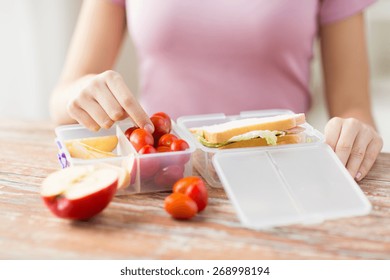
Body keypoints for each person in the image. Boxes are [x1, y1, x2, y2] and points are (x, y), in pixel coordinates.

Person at [50, 0, 383, 181]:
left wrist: (356, 133)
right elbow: (63, 99)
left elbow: (354, 108)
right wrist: (82, 91)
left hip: (279, 176)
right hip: (160, 177)